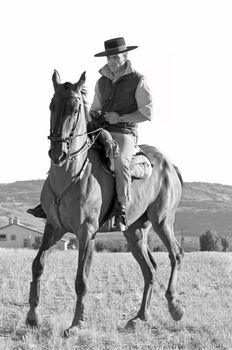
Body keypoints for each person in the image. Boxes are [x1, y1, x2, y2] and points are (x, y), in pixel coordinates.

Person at [89, 37, 153, 231]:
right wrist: (92, 114)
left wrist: (121, 118)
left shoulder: (139, 80)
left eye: (116, 57)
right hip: (100, 129)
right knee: (72, 150)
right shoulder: (101, 81)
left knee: (119, 161)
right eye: (109, 58)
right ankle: (51, 203)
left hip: (125, 132)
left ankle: (121, 209)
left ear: (125, 56)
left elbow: (147, 114)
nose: (112, 62)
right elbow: (95, 107)